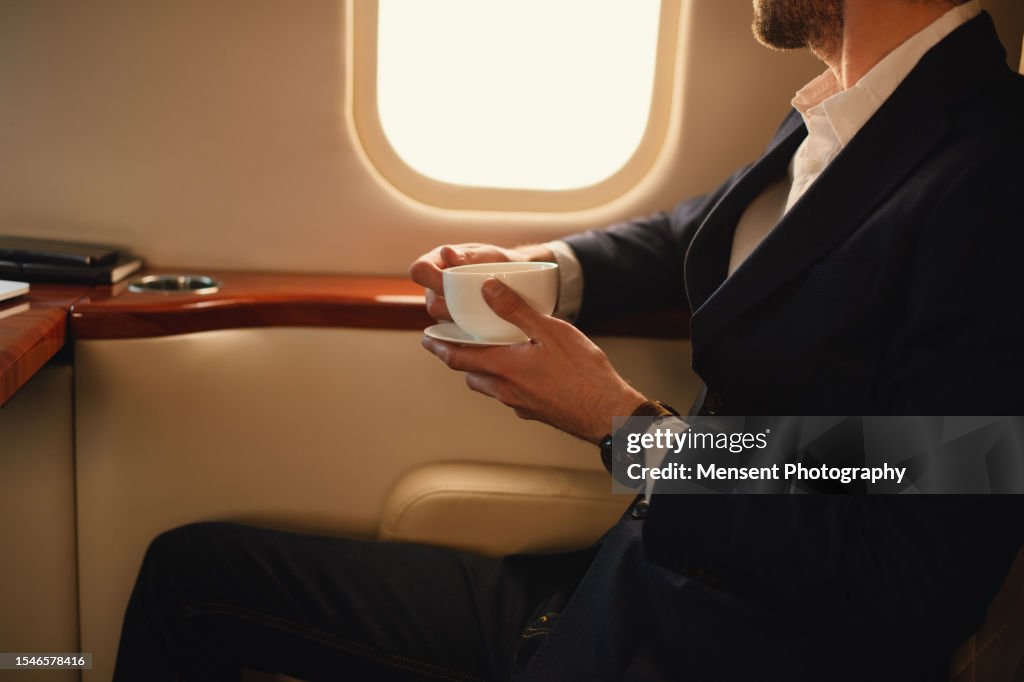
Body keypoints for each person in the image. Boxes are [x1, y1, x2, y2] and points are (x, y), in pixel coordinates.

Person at [114, 1, 1024, 680]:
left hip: (705, 648)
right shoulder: (854, 118)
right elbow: (698, 235)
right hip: (612, 593)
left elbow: (908, 572)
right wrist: (537, 270)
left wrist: (623, 424)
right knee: (192, 573)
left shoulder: (996, 172)